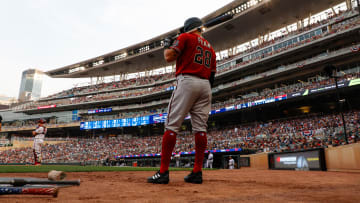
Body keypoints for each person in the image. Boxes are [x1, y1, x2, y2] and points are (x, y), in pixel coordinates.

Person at [148, 17, 216, 184]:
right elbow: (212, 75)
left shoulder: (185, 37)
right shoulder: (211, 48)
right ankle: (197, 172)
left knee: (171, 125)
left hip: (187, 81)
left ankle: (163, 172)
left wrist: (167, 44)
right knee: (200, 129)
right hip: (206, 86)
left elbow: (169, 57)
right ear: (199, 28)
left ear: (188, 29)